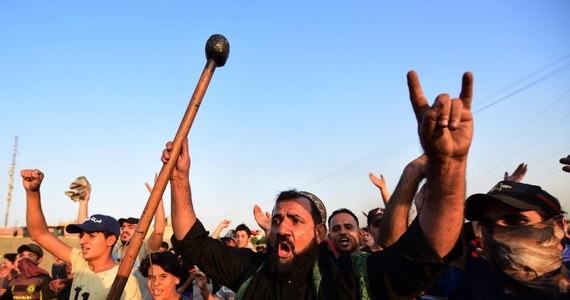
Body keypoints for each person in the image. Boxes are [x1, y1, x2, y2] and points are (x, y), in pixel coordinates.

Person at [164, 70, 473, 299]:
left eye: (296, 220)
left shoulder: (352, 278)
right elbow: (191, 241)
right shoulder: (251, 269)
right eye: (277, 220)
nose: (282, 228)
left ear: (319, 233)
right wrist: (179, 177)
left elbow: (425, 254)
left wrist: (449, 166)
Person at [21, 169, 141, 300]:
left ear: (110, 240)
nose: (83, 241)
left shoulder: (125, 281)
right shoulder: (80, 262)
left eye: (92, 236)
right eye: (82, 235)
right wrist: (32, 192)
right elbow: (39, 234)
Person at [450, 181, 570, 299]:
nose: (496, 233)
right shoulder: (474, 275)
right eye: (488, 223)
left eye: (515, 221)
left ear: (559, 227)